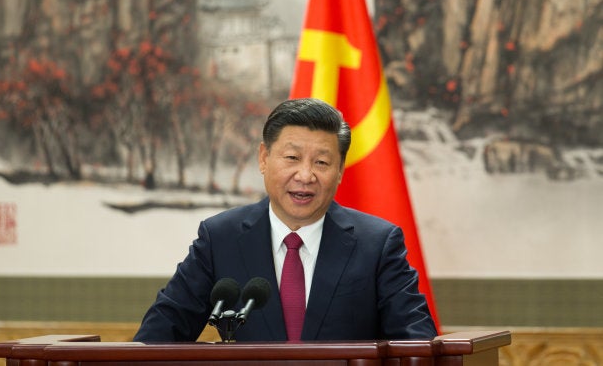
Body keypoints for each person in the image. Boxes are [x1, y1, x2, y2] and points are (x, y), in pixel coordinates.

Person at [133, 98, 437, 342]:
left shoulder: (378, 243)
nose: (305, 176)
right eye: (292, 158)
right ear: (264, 158)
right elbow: (160, 334)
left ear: (341, 170)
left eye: (321, 162)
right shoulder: (220, 238)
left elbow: (417, 340)